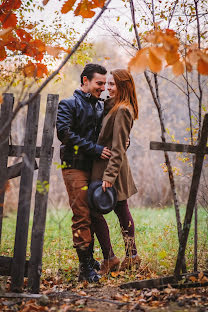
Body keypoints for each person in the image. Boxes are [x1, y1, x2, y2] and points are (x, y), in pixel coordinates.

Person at [56, 63, 112, 283]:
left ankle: (89, 259)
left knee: (94, 214)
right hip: (74, 166)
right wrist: (96, 150)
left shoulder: (101, 107)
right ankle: (84, 268)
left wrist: (124, 140)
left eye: (105, 84)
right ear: (85, 81)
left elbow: (108, 132)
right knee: (81, 215)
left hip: (95, 169)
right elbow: (65, 134)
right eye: (99, 83)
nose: (102, 88)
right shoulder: (68, 104)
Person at [91, 69, 141, 274]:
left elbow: (119, 146)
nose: (108, 88)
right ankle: (131, 256)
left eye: (113, 84)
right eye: (108, 84)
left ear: (123, 86)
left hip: (112, 169)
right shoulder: (113, 107)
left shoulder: (122, 110)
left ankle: (111, 258)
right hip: (111, 167)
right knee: (121, 210)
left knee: (94, 211)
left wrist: (109, 176)